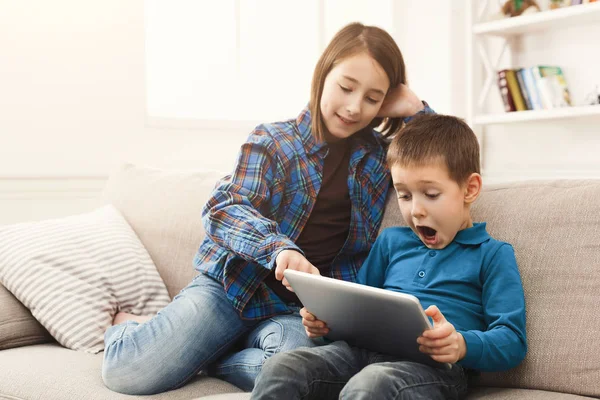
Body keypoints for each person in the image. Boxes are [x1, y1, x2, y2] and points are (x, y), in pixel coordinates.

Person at [101, 22, 435, 395]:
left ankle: (209, 356)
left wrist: (417, 110)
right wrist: (279, 248)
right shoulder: (273, 141)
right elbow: (224, 207)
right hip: (231, 289)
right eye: (345, 87)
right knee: (128, 373)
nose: (355, 106)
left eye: (374, 98)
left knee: (305, 378)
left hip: (300, 315)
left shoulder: (377, 158)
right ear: (323, 74)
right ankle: (131, 327)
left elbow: (440, 163)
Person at [251, 114, 527, 400]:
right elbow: (355, 310)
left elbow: (512, 341)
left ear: (469, 189)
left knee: (372, 384)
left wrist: (461, 344)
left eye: (431, 194)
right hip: (358, 354)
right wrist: (324, 327)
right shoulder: (391, 242)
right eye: (404, 196)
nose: (416, 210)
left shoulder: (493, 254)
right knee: (281, 367)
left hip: (432, 369)